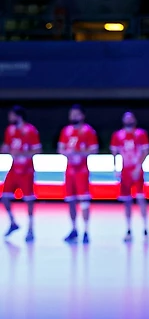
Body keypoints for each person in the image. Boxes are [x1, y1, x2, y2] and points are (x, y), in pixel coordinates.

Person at [58, 104, 98, 244]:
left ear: (82, 116)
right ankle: (74, 229)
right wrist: (67, 153)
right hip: (69, 171)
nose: (73, 117)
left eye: (76, 114)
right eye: (72, 114)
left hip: (82, 170)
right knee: (70, 200)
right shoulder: (66, 131)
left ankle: (86, 230)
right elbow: (61, 148)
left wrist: (79, 153)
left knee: (84, 201)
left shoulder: (88, 131)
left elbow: (94, 150)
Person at [1, 106, 41, 242]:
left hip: (26, 169)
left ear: (18, 116)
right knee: (5, 197)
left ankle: (31, 229)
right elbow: (7, 146)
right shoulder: (10, 130)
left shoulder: (30, 130)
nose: (9, 119)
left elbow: (37, 150)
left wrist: (22, 154)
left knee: (29, 199)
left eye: (11, 116)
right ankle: (13, 222)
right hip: (14, 169)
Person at [110, 111, 149, 243]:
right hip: (125, 171)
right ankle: (128, 228)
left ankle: (145, 227)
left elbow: (145, 151)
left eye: (131, 118)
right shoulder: (118, 135)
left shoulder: (140, 134)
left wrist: (139, 167)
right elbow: (115, 152)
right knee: (126, 201)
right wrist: (116, 168)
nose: (128, 120)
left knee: (140, 198)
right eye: (126, 118)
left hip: (137, 170)